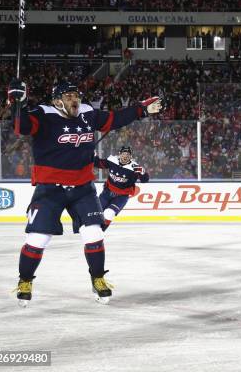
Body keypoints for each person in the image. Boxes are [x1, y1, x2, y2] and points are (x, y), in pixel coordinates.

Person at [8, 80, 162, 306]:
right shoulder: (43, 113)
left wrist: (141, 109)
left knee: (94, 234)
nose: (75, 100)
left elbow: (114, 119)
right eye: (69, 96)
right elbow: (21, 127)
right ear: (57, 100)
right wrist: (17, 104)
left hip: (83, 187)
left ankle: (98, 279)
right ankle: (25, 281)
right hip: (50, 189)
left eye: (76, 96)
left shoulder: (87, 113)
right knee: (38, 238)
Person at [94, 146, 150, 230]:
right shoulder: (112, 160)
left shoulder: (135, 167)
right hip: (107, 192)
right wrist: (94, 155)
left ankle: (100, 231)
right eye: (124, 154)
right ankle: (92, 231)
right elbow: (98, 163)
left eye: (128, 155)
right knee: (96, 213)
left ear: (131, 157)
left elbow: (145, 180)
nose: (125, 157)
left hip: (121, 196)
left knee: (109, 213)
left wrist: (143, 173)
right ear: (119, 154)